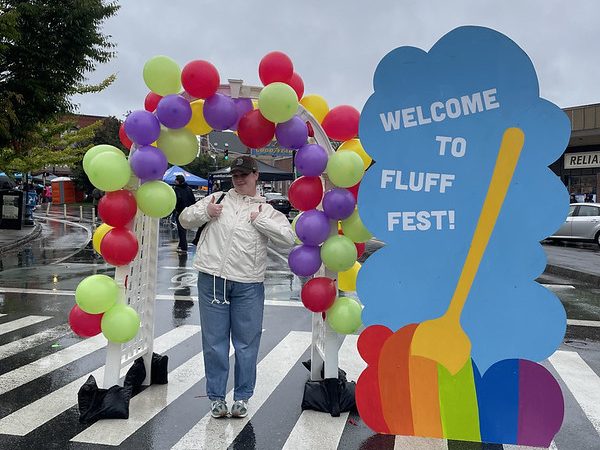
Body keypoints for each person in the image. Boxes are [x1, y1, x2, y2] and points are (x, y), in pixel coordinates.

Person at [179, 155, 294, 419]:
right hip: (212, 280)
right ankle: (216, 397)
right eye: (235, 175)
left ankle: (242, 396)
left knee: (246, 344)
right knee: (214, 343)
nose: (239, 179)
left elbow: (288, 238)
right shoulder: (217, 199)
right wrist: (205, 212)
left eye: (244, 174)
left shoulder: (267, 210)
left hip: (248, 284)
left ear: (256, 176)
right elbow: (185, 219)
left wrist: (260, 221)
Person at [173, 174, 196, 254]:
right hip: (188, 211)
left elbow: (177, 199)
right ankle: (181, 245)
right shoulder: (189, 188)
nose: (174, 181)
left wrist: (175, 208)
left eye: (176, 180)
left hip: (180, 211)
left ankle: (183, 247)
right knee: (184, 229)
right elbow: (193, 200)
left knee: (181, 230)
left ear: (178, 181)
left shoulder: (177, 189)